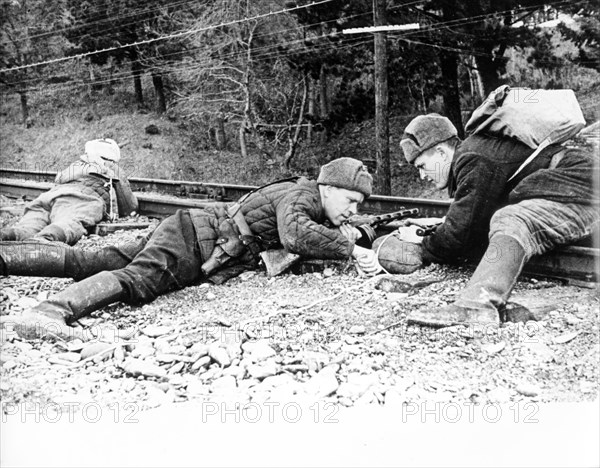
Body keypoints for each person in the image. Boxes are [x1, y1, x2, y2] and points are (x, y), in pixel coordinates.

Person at [0, 157, 380, 340]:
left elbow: (313, 231)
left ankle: (5, 260)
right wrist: (353, 250)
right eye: (350, 201)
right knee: (139, 280)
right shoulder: (302, 196)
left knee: (93, 260)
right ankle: (49, 312)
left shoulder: (307, 199)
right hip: (197, 241)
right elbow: (297, 235)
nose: (352, 210)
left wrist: (361, 233)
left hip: (194, 230)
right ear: (327, 188)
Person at [387, 113, 599, 327]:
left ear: (441, 152)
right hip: (575, 186)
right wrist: (440, 226)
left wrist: (423, 246)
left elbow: (460, 232)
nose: (423, 176)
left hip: (581, 186)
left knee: (512, 219)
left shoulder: (473, 157)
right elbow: (470, 219)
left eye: (422, 166)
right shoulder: (475, 152)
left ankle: (477, 306)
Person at [0, 138, 138, 245]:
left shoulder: (75, 165)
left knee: (32, 222)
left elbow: (58, 179)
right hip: (82, 199)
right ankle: (46, 240)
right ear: (113, 157)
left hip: (50, 196)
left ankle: (10, 235)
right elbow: (128, 205)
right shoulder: (114, 169)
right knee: (69, 221)